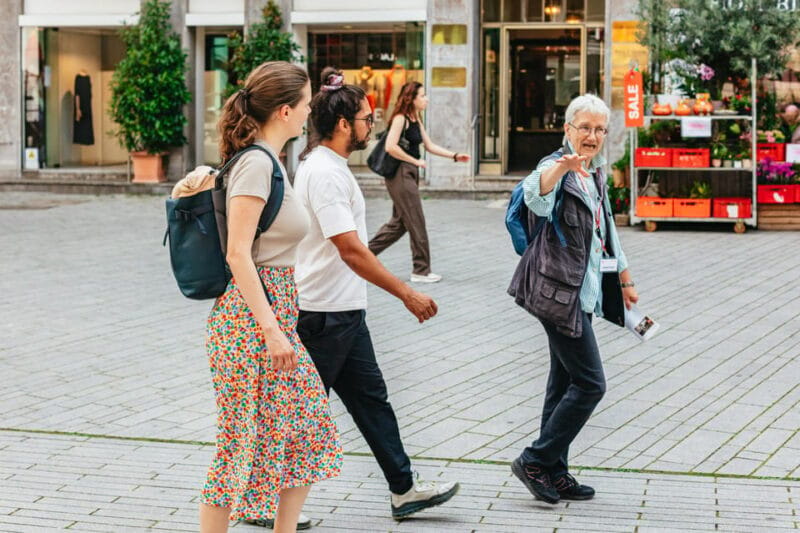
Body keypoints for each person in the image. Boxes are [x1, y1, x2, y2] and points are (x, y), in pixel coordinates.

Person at [293, 68, 460, 520]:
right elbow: (350, 249)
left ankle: (404, 490)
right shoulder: (324, 173)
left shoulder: (330, 167)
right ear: (343, 124)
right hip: (322, 315)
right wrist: (406, 293)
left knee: (372, 402)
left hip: (343, 311)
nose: (372, 125)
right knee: (298, 413)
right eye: (367, 118)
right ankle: (263, 500)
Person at [199, 61, 342, 533]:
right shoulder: (257, 164)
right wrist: (271, 329)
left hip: (271, 314)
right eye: (305, 104)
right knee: (239, 445)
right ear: (284, 111)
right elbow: (238, 254)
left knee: (306, 431)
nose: (309, 112)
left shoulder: (270, 161)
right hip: (250, 322)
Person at [507, 94, 639, 505]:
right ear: (568, 129)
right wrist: (560, 168)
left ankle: (554, 471)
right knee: (591, 383)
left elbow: (606, 230)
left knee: (562, 382)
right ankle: (534, 460)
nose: (592, 136)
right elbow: (536, 194)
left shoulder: (595, 173)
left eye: (600, 129)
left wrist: (625, 279)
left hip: (582, 292)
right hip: (556, 294)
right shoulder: (557, 167)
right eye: (585, 128)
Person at [367, 81, 470, 284]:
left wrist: (455, 156)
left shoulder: (415, 119)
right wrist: (415, 161)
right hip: (400, 174)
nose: (426, 99)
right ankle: (421, 270)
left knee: (398, 225)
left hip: (409, 173)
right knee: (416, 220)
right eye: (422, 96)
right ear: (411, 99)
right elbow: (390, 147)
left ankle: (361, 256)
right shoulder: (400, 119)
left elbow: (429, 145)